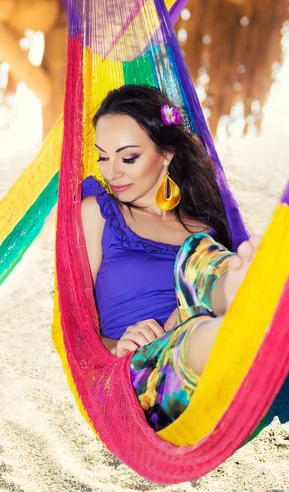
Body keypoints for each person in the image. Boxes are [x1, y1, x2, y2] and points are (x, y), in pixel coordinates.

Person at [81, 84, 260, 430]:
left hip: (212, 372)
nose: (111, 172)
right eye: (104, 157)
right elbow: (73, 329)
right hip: (137, 382)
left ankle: (244, 298)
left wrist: (179, 317)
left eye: (128, 157)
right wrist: (119, 344)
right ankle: (237, 321)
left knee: (197, 253)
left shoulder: (204, 227)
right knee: (190, 335)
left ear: (166, 154)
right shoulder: (96, 215)